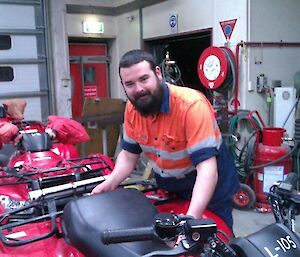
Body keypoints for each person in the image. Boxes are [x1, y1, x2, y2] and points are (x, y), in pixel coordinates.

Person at [92, 49, 240, 229]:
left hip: (210, 191)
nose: (139, 89)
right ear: (123, 85)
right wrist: (111, 182)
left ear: (158, 74)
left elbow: (207, 170)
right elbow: (129, 156)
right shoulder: (133, 109)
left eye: (144, 79)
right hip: (170, 186)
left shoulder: (191, 106)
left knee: (213, 240)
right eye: (130, 84)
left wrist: (191, 218)